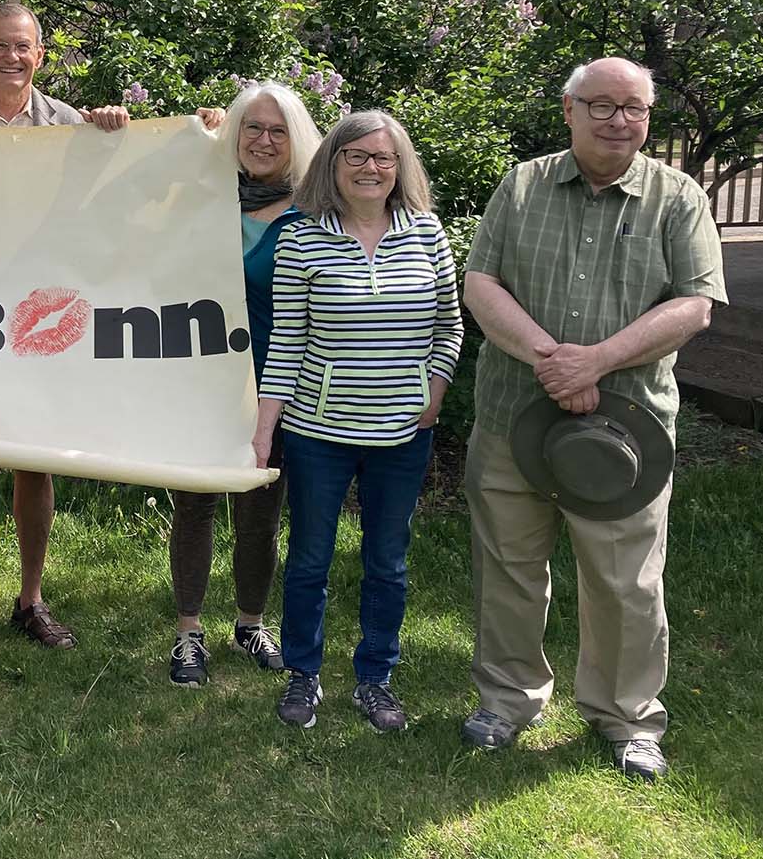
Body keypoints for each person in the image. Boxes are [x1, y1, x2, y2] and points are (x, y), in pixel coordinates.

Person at [460, 57, 726, 780]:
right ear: (570, 110)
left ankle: (627, 718)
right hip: (514, 414)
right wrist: (552, 357)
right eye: (601, 105)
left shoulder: (678, 197)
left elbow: (696, 303)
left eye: (634, 108)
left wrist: (597, 363)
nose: (619, 120)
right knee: (509, 566)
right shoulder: (522, 185)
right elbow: (479, 281)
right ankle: (508, 699)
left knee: (625, 579)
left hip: (626, 432)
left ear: (648, 118)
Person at [0, 1, 129, 664]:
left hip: (42, 317)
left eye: (25, 47)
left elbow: (119, 195)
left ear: (41, 55)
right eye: (0, 46)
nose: (12, 57)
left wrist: (116, 133)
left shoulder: (70, 126)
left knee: (37, 463)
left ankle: (30, 598)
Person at [253, 110, 464, 731]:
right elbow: (287, 341)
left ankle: (376, 678)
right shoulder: (301, 237)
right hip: (318, 432)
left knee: (387, 561)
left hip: (403, 434)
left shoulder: (426, 232)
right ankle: (303, 674)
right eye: (358, 157)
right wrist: (266, 429)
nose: (372, 169)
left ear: (400, 170)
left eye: (385, 159)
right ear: (334, 165)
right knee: (310, 556)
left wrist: (436, 389)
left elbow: (449, 326)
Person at [166, 82, 322, 688]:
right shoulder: (200, 193)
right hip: (196, 378)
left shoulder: (313, 213)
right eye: (251, 128)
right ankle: (187, 633)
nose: (262, 141)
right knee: (195, 504)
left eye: (277, 131)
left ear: (296, 140)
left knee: (260, 512)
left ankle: (251, 622)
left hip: (276, 383)